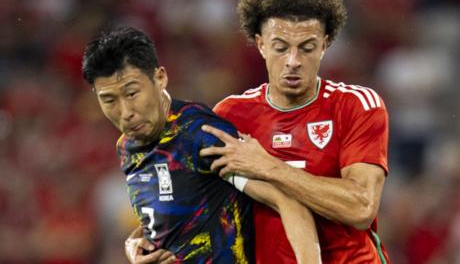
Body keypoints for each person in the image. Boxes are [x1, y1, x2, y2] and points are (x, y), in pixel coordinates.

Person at [82, 27, 321, 264]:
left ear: (160, 77)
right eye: (110, 100)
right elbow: (178, 212)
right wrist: (134, 243)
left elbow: (289, 201)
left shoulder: (201, 134)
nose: (126, 113)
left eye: (132, 93)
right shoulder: (126, 147)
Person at [199, 0, 391, 263]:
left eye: (307, 48)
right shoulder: (230, 114)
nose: (293, 60)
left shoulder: (356, 106)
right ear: (261, 45)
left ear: (324, 46)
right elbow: (199, 196)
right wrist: (147, 237)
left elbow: (361, 208)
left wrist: (267, 166)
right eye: (280, 47)